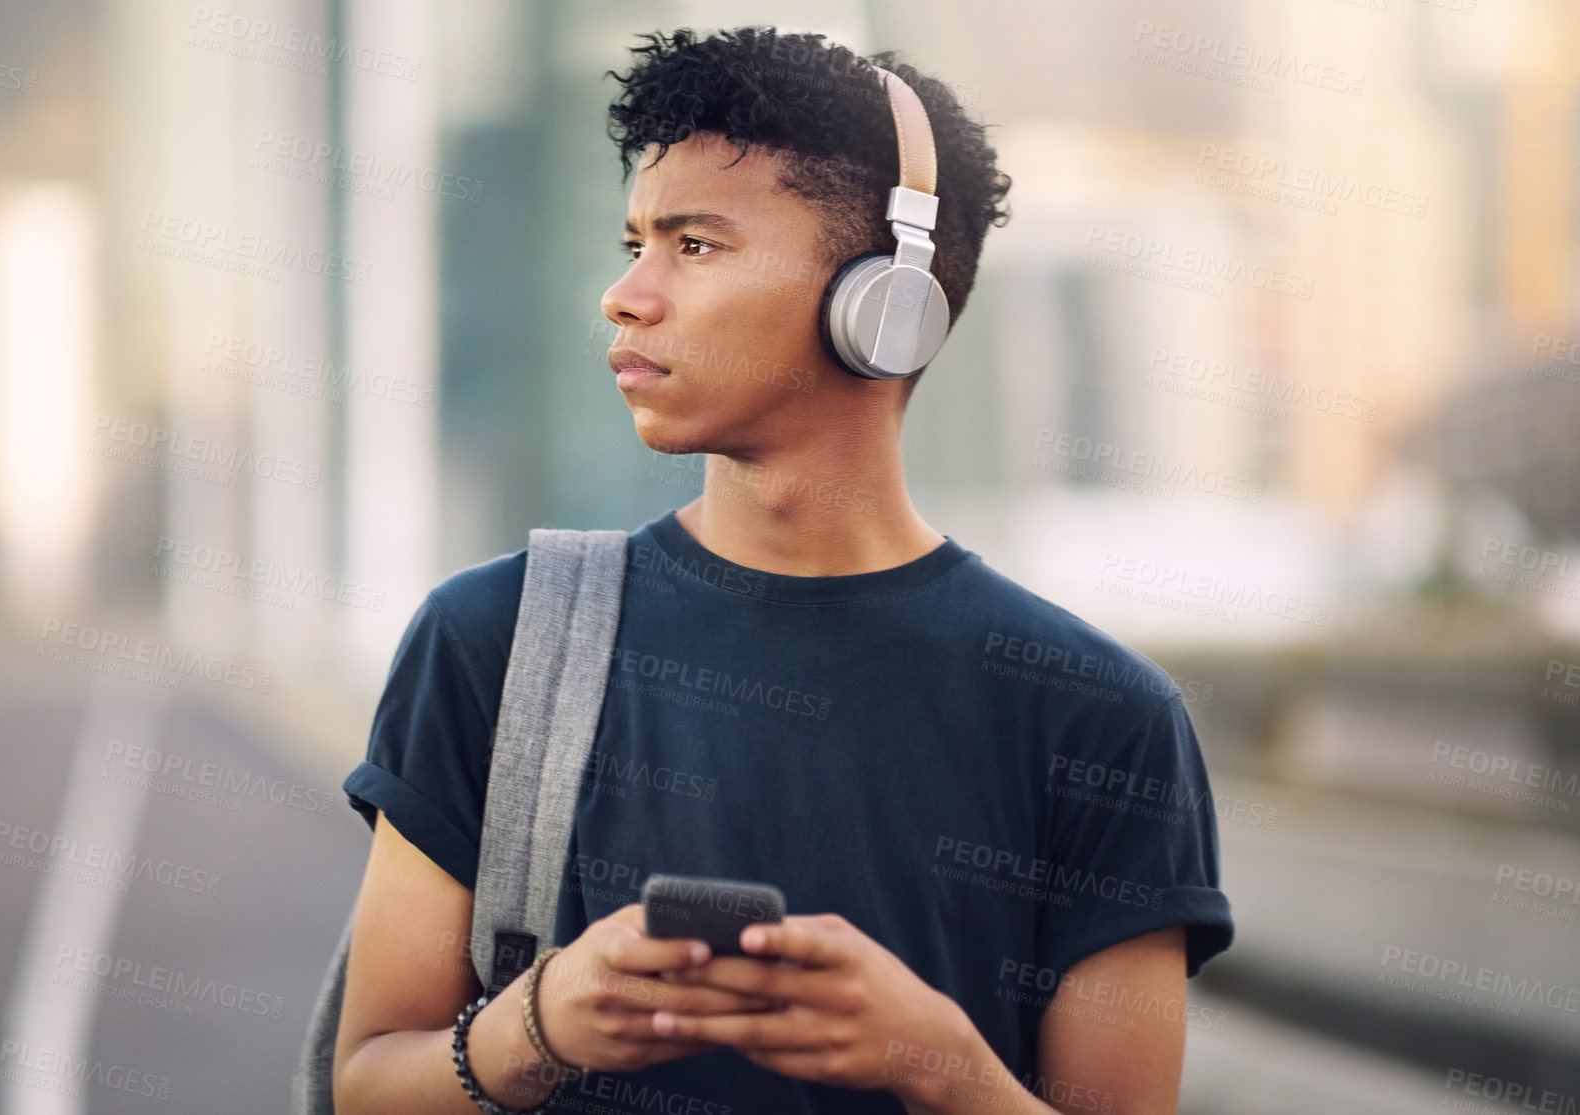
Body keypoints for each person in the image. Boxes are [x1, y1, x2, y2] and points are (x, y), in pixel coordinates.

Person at [332, 25, 1233, 1115]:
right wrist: (541, 1022)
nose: (625, 293)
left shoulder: (1104, 719)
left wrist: (935, 1061)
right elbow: (367, 1082)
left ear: (883, 304)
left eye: (695, 245)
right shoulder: (495, 635)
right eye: (634, 242)